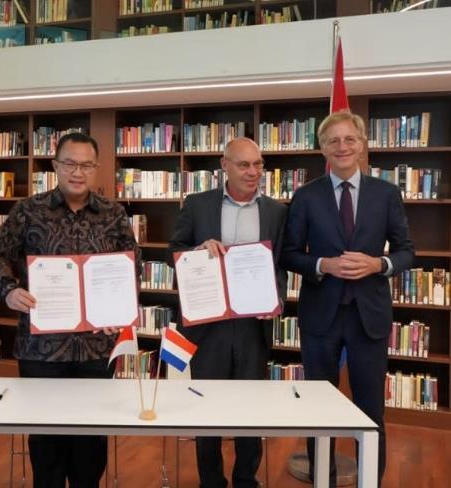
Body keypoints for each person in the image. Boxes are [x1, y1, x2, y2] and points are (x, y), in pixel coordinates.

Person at [0, 132, 140, 488]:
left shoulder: (113, 214)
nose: (77, 172)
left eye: (86, 165)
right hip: (42, 349)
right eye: (69, 163)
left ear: (96, 168)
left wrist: (117, 310)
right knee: (46, 440)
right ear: (55, 166)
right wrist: (9, 291)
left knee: (91, 438)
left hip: (96, 347)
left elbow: (130, 265)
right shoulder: (28, 210)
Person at [281, 111, 414, 487]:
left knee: (370, 410)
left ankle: (371, 481)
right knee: (318, 409)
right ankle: (323, 479)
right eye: (333, 141)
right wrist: (323, 264)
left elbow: (406, 251)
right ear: (323, 148)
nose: (342, 146)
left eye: (349, 139)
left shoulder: (386, 194)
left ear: (362, 144)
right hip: (320, 317)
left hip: (368, 317)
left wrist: (379, 264)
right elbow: (289, 254)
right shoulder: (306, 196)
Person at [168, 137, 287, 488]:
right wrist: (196, 251)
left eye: (258, 164)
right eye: (244, 164)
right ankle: (211, 480)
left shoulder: (276, 211)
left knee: (250, 408)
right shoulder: (197, 204)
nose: (253, 172)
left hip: (253, 325)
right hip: (209, 326)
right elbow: (173, 252)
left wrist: (276, 299)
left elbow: (279, 264)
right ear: (225, 166)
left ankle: (246, 478)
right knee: (207, 407)